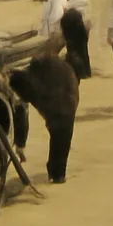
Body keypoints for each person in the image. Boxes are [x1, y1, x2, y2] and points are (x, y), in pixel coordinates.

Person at [8, 53, 79, 184]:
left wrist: (20, 143)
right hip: (60, 100)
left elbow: (21, 108)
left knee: (60, 132)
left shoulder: (31, 81)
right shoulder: (62, 75)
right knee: (62, 134)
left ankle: (57, 171)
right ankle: (57, 172)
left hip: (56, 99)